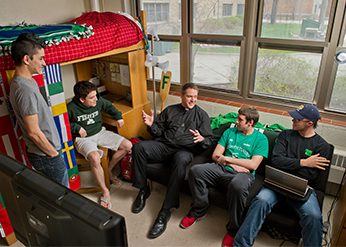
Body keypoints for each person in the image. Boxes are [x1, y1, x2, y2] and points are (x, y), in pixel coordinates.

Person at [234, 103, 331, 247]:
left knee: (314, 216)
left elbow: (310, 175)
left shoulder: (322, 146)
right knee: (261, 201)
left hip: (300, 188)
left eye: (297, 119)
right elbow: (276, 161)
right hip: (276, 182)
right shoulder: (285, 135)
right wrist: (303, 162)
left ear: (309, 123)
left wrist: (289, 163)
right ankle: (241, 244)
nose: (292, 120)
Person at [131, 82, 213, 238]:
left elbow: (208, 141)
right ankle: (143, 189)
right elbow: (158, 131)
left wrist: (202, 139)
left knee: (181, 160)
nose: (193, 100)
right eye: (189, 96)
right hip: (164, 145)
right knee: (138, 147)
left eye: (195, 97)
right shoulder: (170, 110)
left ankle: (165, 210)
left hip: (184, 151)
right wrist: (151, 124)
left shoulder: (202, 115)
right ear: (181, 95)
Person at [179, 106, 269, 247]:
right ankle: (199, 209)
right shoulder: (229, 131)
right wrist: (232, 163)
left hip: (243, 175)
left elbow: (253, 165)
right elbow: (216, 155)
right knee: (196, 171)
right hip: (221, 168)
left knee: (238, 186)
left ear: (250, 123)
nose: (236, 122)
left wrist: (228, 159)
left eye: (240, 120)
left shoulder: (261, 139)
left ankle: (233, 229)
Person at [9, 32, 69, 187]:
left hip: (46, 153)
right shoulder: (24, 89)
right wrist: (53, 154)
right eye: (41, 58)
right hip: (46, 155)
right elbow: (33, 132)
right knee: (64, 199)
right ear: (26, 59)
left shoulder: (27, 82)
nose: (45, 63)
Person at [67, 80, 132, 209]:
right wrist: (76, 128)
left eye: (96, 95)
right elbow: (64, 125)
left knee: (128, 145)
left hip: (100, 132)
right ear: (81, 99)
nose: (96, 99)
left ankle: (108, 170)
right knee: (95, 158)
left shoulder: (98, 100)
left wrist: (118, 117)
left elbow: (110, 107)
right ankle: (105, 191)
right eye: (91, 98)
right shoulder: (71, 108)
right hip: (83, 139)